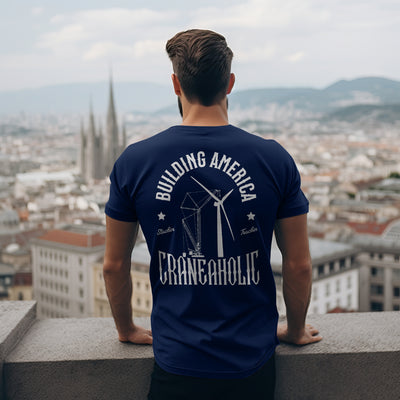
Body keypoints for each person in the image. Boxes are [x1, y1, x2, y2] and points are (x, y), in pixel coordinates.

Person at [103, 29, 322, 400]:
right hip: (251, 362)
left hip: (176, 359)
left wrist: (126, 329)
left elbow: (113, 265)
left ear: (176, 84)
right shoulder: (272, 158)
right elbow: (298, 265)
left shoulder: (135, 162)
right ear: (230, 82)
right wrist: (295, 329)